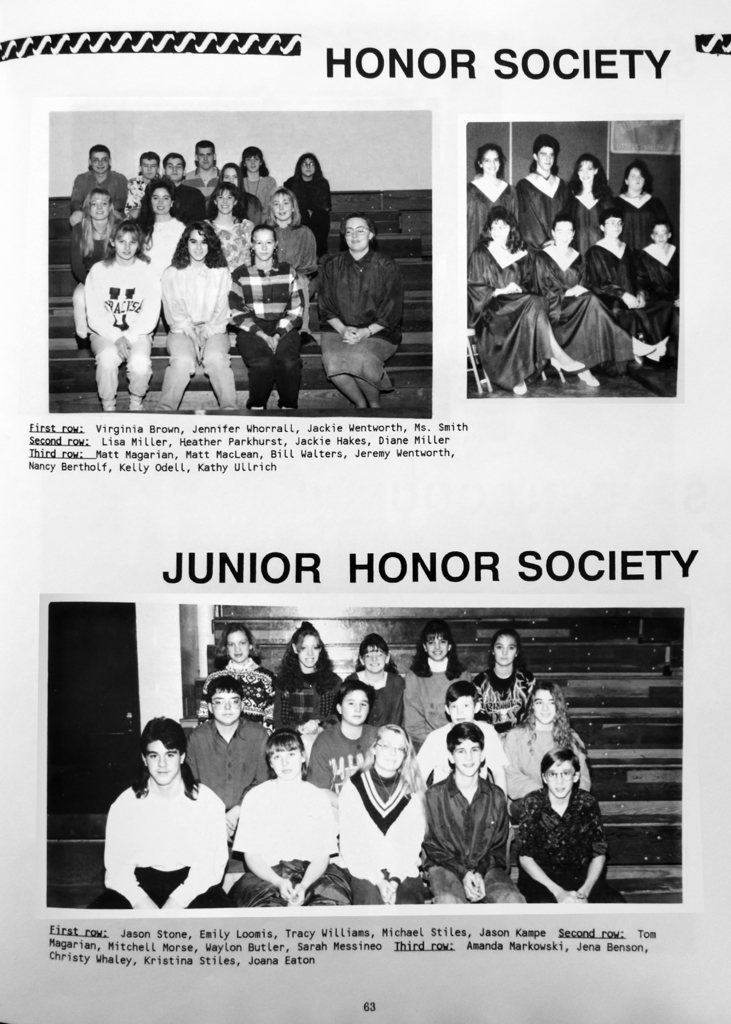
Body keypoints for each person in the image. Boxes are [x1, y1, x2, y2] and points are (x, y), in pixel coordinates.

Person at [88, 718, 231, 909]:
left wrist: (177, 902)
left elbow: (210, 867)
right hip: (139, 885)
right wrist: (141, 902)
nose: (162, 764)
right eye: (154, 756)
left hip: (193, 885)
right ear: (144, 758)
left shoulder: (207, 802)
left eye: (170, 755)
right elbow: (117, 868)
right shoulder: (126, 804)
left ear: (181, 757)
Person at [467, 206, 585, 395]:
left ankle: (525, 369)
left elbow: (530, 280)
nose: (499, 232)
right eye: (495, 227)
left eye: (503, 227)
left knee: (538, 300)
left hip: (518, 304)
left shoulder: (520, 252)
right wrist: (499, 290)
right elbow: (474, 287)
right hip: (493, 309)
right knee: (535, 302)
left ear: (511, 229)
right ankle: (553, 353)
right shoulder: (481, 252)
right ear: (489, 229)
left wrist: (549, 245)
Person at [228, 729, 351, 908]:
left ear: (302, 756)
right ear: (270, 762)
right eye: (277, 757)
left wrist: (304, 885)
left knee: (331, 903)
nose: (285, 762)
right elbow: (251, 855)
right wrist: (278, 882)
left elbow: (321, 856)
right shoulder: (256, 797)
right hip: (267, 876)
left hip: (312, 875)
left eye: (291, 754)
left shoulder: (317, 797)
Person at [423, 723, 524, 904]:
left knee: (512, 900)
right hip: (446, 867)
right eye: (461, 751)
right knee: (448, 901)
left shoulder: (496, 796)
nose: (469, 758)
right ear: (450, 757)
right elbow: (433, 847)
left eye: (474, 750)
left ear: (483, 755)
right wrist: (464, 873)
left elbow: (498, 848)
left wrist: (479, 873)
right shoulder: (433, 796)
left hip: (487, 869)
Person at [534, 213, 635, 384]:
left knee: (590, 300)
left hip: (576, 307)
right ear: (553, 233)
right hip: (553, 309)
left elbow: (584, 285)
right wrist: (567, 292)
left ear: (574, 234)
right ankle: (629, 343)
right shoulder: (542, 257)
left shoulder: (578, 257)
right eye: (560, 231)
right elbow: (539, 289)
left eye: (569, 232)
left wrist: (577, 291)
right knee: (591, 301)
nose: (564, 236)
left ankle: (584, 368)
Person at [518, 747, 625, 903]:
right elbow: (525, 858)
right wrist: (558, 893)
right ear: (544, 778)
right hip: (541, 879)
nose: (559, 781)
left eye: (566, 773)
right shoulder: (532, 803)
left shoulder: (587, 803)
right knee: (548, 912)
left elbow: (599, 852)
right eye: (553, 774)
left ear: (575, 777)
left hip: (580, 876)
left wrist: (585, 892)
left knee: (617, 904)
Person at [318, 214, 403, 409]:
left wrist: (365, 332)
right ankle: (360, 404)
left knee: (358, 357)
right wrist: (342, 330)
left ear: (371, 234)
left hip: (379, 331)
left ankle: (374, 405)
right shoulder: (332, 265)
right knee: (332, 363)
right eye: (349, 231)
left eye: (360, 230)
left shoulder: (387, 265)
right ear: (344, 236)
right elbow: (325, 306)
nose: (354, 235)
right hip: (337, 329)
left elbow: (392, 309)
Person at [338, 725, 428, 905]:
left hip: (401, 870)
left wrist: (394, 880)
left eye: (399, 749)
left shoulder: (411, 792)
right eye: (386, 745)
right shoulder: (354, 786)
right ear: (374, 749)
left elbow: (410, 844)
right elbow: (352, 843)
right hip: (365, 870)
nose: (392, 753)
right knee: (371, 907)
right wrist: (378, 880)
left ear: (405, 756)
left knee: (410, 906)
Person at [84, 219, 162, 412]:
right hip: (104, 333)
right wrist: (116, 337)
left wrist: (128, 336)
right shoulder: (98, 270)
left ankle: (136, 404)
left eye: (133, 242)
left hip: (138, 333)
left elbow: (151, 315)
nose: (127, 247)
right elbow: (94, 315)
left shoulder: (148, 271)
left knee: (140, 363)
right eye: (121, 241)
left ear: (139, 244)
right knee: (108, 357)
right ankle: (108, 408)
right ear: (112, 242)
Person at [158, 221, 236, 412]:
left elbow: (223, 309)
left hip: (215, 328)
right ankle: (164, 411)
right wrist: (192, 335)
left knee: (216, 359)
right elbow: (174, 312)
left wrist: (207, 332)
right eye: (193, 241)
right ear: (186, 244)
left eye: (204, 242)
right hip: (182, 330)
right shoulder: (172, 273)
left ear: (211, 245)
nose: (199, 247)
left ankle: (230, 411)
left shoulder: (221, 272)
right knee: (183, 361)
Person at [229, 224, 304, 410]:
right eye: (259, 242)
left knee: (288, 363)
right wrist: (262, 335)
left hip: (283, 326)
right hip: (252, 329)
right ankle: (256, 407)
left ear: (276, 245)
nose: (264, 248)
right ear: (251, 245)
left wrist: (278, 333)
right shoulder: (240, 274)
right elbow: (237, 312)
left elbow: (296, 310)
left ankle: (288, 408)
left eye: (268, 242)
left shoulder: (288, 271)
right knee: (263, 364)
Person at [186, 676, 269, 843]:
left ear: (242, 705)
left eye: (234, 701)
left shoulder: (258, 734)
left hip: (248, 811)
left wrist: (238, 811)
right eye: (219, 702)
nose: (228, 707)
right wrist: (217, 819)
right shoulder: (198, 737)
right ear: (210, 707)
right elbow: (192, 783)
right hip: (207, 814)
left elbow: (263, 783)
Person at [584, 207, 675, 358]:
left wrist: (641, 293)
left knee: (665, 306)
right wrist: (623, 295)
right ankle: (634, 354)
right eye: (611, 223)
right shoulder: (595, 252)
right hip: (611, 299)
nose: (616, 226)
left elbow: (641, 276)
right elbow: (599, 283)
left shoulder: (630, 250)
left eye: (619, 223)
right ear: (602, 227)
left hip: (634, 297)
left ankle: (659, 353)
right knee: (620, 313)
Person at [503, 681, 591, 820]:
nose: (545, 708)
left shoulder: (571, 738)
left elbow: (583, 780)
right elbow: (511, 780)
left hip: (564, 800)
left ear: (558, 706)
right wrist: (546, 795)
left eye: (551, 702)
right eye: (539, 702)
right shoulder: (516, 737)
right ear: (532, 706)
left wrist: (562, 797)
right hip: (527, 802)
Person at [417, 681, 507, 791]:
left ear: (477, 707)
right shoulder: (435, 738)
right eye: (454, 706)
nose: (460, 712)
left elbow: (498, 772)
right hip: (444, 799)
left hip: (478, 799)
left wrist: (500, 805)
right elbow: (419, 776)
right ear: (447, 710)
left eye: (466, 705)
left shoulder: (488, 732)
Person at [272, 622, 342, 755]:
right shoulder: (284, 682)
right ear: (294, 648)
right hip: (293, 744)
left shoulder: (334, 682)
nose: (310, 653)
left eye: (315, 647)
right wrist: (300, 728)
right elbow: (280, 722)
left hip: (327, 741)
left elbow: (339, 718)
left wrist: (321, 727)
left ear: (320, 649)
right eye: (303, 648)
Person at [307, 680, 378, 807]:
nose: (358, 709)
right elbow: (319, 791)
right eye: (351, 703)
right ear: (339, 708)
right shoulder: (325, 741)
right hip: (337, 809)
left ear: (369, 709)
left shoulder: (378, 738)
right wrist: (347, 807)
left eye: (363, 704)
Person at [403, 618, 470, 751]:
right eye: (431, 642)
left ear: (449, 646)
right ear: (424, 647)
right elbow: (413, 726)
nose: (437, 647)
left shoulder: (463, 675)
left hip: (458, 742)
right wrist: (437, 746)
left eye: (442, 642)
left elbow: (467, 719)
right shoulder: (413, 677)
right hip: (424, 744)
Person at [198, 621, 276, 729]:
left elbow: (270, 720)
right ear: (226, 648)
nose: (237, 649)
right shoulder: (213, 679)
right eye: (231, 644)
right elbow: (204, 717)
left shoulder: (267, 679)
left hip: (254, 741)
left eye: (242, 643)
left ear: (251, 646)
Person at [70, 188, 120, 346]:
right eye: (94, 203)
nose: (99, 207)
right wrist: (93, 285)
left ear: (110, 207)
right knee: (79, 297)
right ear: (87, 208)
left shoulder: (119, 227)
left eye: (104, 203)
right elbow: (76, 264)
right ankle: (82, 339)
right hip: (89, 278)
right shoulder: (79, 229)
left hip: (116, 277)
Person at [266, 187, 318, 339]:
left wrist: (290, 275)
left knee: (300, 281)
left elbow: (309, 265)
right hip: (270, 278)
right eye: (276, 204)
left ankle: (302, 330)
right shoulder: (266, 232)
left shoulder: (305, 232)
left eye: (285, 203)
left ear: (293, 207)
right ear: (271, 209)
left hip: (298, 279)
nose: (281, 208)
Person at [472, 626, 534, 734]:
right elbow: (480, 721)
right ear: (492, 650)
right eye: (499, 647)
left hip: (521, 740)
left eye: (511, 648)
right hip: (490, 741)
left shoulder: (527, 680)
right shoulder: (480, 682)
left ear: (517, 652)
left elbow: (532, 717)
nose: (505, 652)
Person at [515, 133, 569, 250]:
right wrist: (545, 242)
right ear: (535, 156)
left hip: (561, 247)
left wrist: (559, 241)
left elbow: (567, 217)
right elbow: (527, 221)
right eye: (543, 154)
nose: (548, 159)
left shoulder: (562, 186)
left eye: (551, 155)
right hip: (536, 251)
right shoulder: (524, 186)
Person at [637, 219, 680, 363]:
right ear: (652, 236)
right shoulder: (645, 255)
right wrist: (642, 293)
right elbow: (642, 280)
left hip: (677, 295)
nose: (660, 237)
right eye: (656, 233)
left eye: (664, 233)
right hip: (656, 296)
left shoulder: (677, 252)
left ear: (669, 235)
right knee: (668, 307)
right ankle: (660, 352)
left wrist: (685, 295)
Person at [342, 632, 405, 729]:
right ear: (362, 660)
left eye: (379, 655)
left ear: (387, 658)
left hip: (389, 738)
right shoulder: (352, 681)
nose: (374, 659)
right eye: (368, 655)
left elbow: (396, 720)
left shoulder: (397, 683)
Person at [467, 142, 517, 259]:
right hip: (476, 249)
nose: (492, 164)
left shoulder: (510, 192)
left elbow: (514, 226)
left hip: (502, 252)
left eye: (495, 160)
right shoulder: (469, 191)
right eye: (487, 160)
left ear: (500, 162)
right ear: (480, 163)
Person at [136, 177, 186, 281]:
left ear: (172, 201)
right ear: (150, 201)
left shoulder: (181, 228)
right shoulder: (140, 228)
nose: (160, 202)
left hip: (173, 284)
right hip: (147, 283)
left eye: (165, 198)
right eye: (155, 198)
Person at [283, 152, 332, 257]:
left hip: (317, 218)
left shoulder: (322, 183)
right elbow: (289, 205)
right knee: (302, 214)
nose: (308, 166)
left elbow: (326, 206)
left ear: (316, 167)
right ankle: (302, 254)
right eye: (305, 164)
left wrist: (312, 213)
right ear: (299, 167)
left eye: (311, 164)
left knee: (319, 215)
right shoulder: (290, 183)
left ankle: (320, 254)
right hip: (298, 216)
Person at [616, 159, 669, 252]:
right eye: (633, 176)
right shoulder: (617, 203)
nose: (637, 179)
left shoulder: (655, 203)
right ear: (626, 181)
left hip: (650, 256)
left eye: (641, 176)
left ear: (645, 180)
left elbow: (664, 230)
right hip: (625, 255)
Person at [566, 153, 614, 255]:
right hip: (576, 252)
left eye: (589, 169)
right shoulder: (570, 198)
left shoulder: (605, 198)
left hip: (600, 253)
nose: (585, 173)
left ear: (596, 171)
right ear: (577, 172)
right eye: (581, 170)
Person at [69, 144, 128, 226]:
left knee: (116, 215)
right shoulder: (81, 179)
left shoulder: (119, 178)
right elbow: (75, 203)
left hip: (111, 213)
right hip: (88, 214)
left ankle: (112, 238)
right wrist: (93, 211)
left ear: (109, 161)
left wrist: (102, 211)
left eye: (104, 160)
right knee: (76, 217)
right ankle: (84, 238)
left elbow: (121, 202)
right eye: (96, 160)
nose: (100, 164)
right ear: (90, 162)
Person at [206, 181, 255, 273]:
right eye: (220, 197)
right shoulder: (206, 227)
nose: (225, 201)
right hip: (215, 279)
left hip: (243, 279)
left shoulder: (247, 226)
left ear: (235, 201)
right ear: (215, 201)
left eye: (229, 197)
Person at [162, 152, 206, 224]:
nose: (174, 170)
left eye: (178, 167)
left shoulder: (195, 195)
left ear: (184, 172)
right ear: (164, 171)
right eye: (170, 166)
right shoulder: (156, 194)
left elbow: (199, 225)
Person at [241, 146, 277, 212]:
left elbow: (270, 207)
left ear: (261, 162)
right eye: (248, 159)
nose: (252, 162)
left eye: (256, 159)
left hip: (265, 221)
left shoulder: (269, 182)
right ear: (244, 163)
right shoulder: (240, 181)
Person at [125, 151, 160, 218]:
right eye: (146, 166)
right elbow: (129, 211)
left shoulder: (162, 185)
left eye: (153, 166)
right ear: (140, 168)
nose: (149, 169)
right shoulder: (132, 184)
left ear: (158, 169)